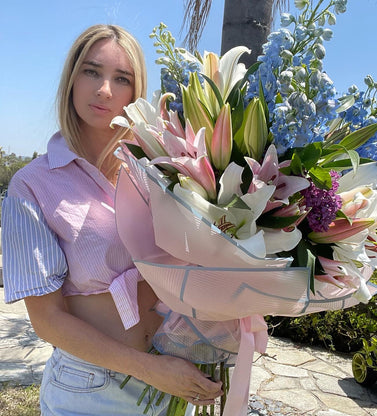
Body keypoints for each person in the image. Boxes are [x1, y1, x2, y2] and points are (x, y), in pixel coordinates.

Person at [1, 24, 223, 416]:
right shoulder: (32, 185)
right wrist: (151, 370)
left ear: (135, 93)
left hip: (175, 375)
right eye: (91, 71)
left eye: (121, 78)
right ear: (71, 79)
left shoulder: (160, 169)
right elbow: (48, 320)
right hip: (91, 388)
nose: (104, 89)